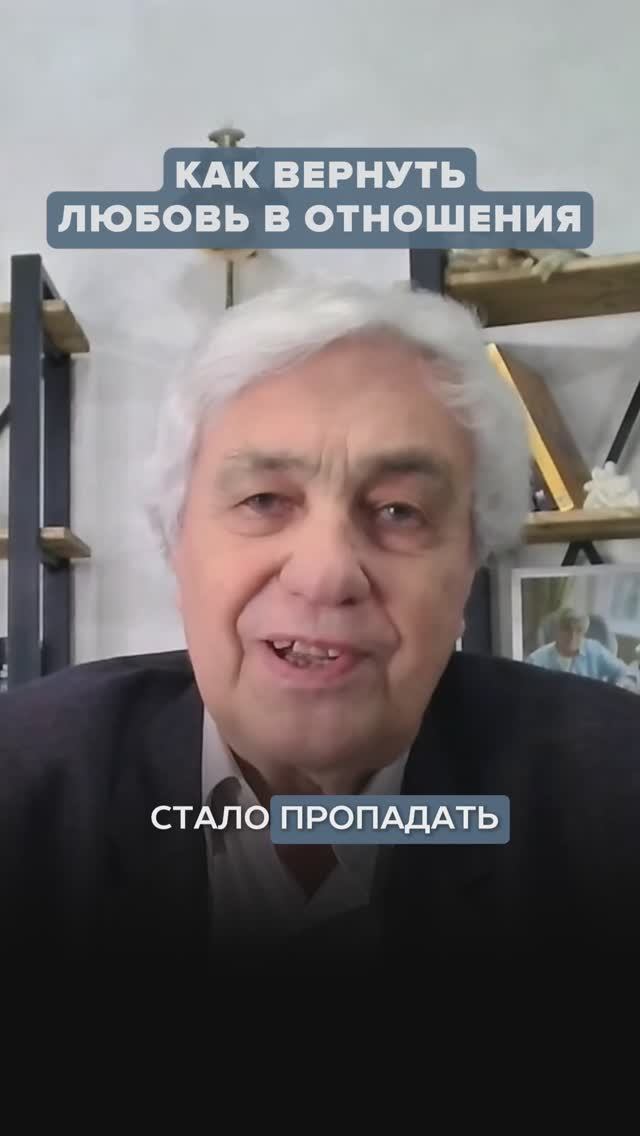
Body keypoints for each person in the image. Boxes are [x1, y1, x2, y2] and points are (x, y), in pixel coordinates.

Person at [2, 277, 639, 986]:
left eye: (399, 511)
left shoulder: (615, 797)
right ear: (177, 548)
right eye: (263, 500)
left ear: (468, 567)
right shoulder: (23, 786)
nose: (327, 574)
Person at [526, 606, 636, 686]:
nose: (572, 636)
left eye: (578, 631)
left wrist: (622, 684)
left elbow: (624, 671)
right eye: (567, 629)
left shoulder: (595, 650)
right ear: (558, 631)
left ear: (584, 633)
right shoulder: (537, 659)